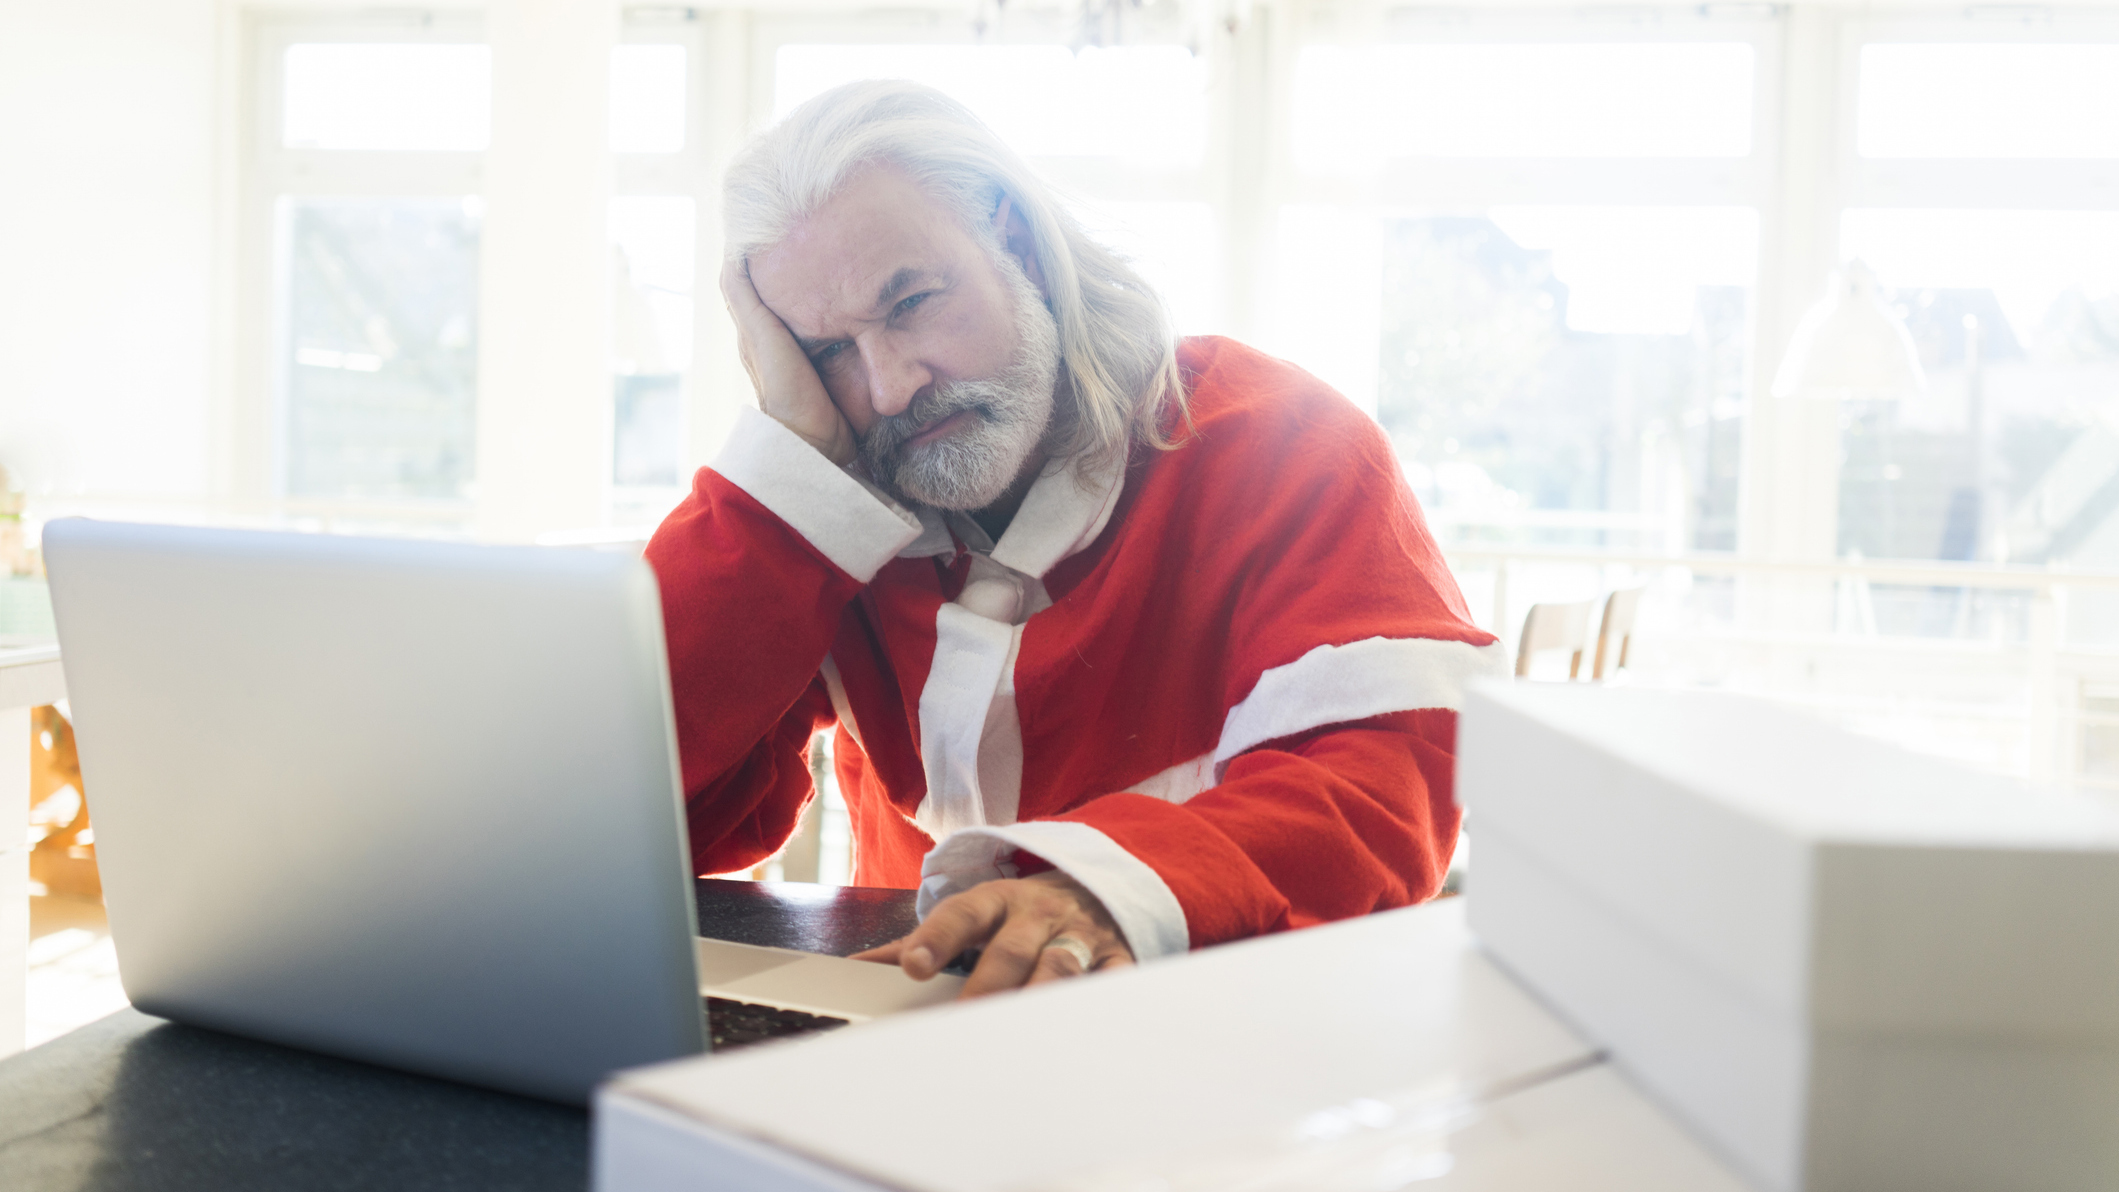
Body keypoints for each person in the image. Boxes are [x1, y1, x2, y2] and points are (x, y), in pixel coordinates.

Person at [645, 80, 1504, 999]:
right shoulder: (827, 500)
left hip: (1230, 1031)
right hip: (910, 1022)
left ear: (1014, 238)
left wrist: (1112, 893)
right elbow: (641, 819)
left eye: (913, 303)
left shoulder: (1281, 438)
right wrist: (782, 484)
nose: (889, 387)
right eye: (825, 352)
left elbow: (1391, 774)